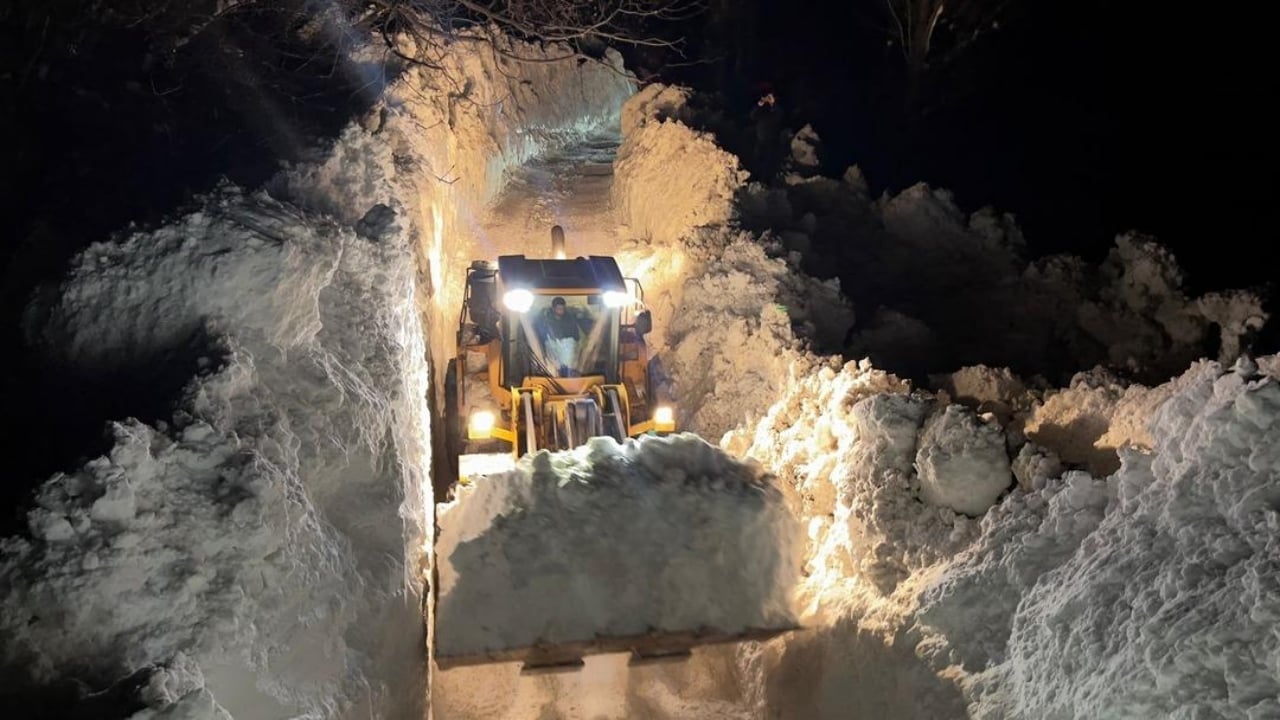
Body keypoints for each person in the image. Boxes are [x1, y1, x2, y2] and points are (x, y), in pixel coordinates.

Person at [538, 297, 593, 376]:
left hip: (569, 352)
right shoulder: (545, 320)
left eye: (562, 308)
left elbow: (577, 338)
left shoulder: (571, 319)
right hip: (553, 353)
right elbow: (542, 337)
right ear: (553, 308)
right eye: (558, 308)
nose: (561, 311)